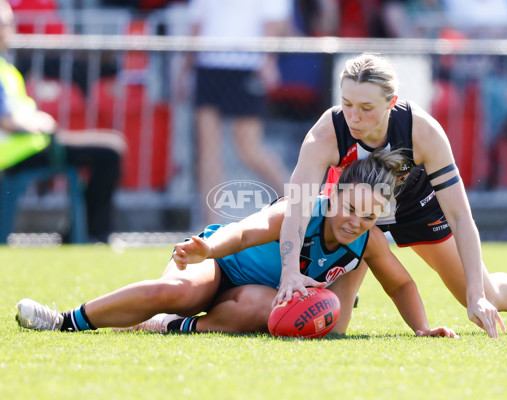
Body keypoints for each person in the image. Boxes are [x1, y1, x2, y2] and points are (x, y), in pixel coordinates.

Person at [274, 53, 507, 339]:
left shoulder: (422, 131)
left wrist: (477, 295)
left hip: (415, 207)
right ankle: (341, 280)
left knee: (487, 292)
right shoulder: (327, 132)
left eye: (366, 108)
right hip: (356, 213)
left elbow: (460, 215)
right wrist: (289, 272)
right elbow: (297, 204)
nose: (354, 117)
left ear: (392, 102)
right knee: (333, 329)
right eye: (347, 104)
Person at [15, 149, 456, 338]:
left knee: (266, 310)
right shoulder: (303, 207)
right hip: (223, 261)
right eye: (352, 208)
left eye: (370, 216)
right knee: (181, 293)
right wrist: (208, 250)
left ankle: (168, 327)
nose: (357, 222)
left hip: (256, 294)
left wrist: (421, 329)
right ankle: (65, 321)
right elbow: (246, 231)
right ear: (335, 193)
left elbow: (401, 284)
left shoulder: (369, 239)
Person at [0, 0, 125, 243]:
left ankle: (82, 232)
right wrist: (38, 122)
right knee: (110, 150)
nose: (8, 28)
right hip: (20, 151)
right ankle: (92, 233)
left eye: (9, 22)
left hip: (33, 145)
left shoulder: (5, 65)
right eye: (2, 23)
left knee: (111, 147)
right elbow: (5, 120)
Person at [181, 0, 292, 226]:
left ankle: (300, 204)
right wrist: (186, 69)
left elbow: (273, 21)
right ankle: (210, 227)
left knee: (249, 149)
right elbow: (198, 22)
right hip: (208, 65)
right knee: (208, 152)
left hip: (246, 64)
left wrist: (268, 60)